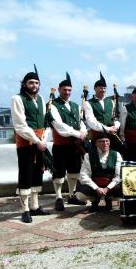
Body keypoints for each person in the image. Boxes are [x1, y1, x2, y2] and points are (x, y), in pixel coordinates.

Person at [10, 65, 51, 223]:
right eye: (31, 83)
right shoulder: (17, 99)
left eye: (36, 83)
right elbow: (20, 126)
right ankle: (25, 209)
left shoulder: (40, 99)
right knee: (26, 174)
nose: (34, 85)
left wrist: (44, 139)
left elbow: (45, 121)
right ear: (24, 84)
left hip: (40, 142)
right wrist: (37, 140)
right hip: (26, 143)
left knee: (37, 173)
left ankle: (34, 207)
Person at [49, 72, 88, 211]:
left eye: (69, 90)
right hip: (60, 145)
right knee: (59, 173)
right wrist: (76, 133)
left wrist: (83, 131)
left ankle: (72, 195)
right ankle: (58, 197)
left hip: (75, 146)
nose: (67, 92)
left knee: (74, 172)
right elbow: (59, 126)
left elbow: (80, 122)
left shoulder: (75, 106)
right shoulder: (53, 106)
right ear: (59, 90)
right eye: (65, 90)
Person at [75, 133, 123, 212]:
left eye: (107, 141)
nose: (105, 143)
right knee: (80, 195)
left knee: (125, 190)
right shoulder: (88, 156)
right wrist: (96, 188)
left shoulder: (116, 155)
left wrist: (107, 188)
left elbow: (119, 175)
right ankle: (94, 200)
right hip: (96, 186)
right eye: (102, 141)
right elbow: (84, 175)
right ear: (96, 143)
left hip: (111, 186)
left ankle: (109, 199)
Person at [83, 72, 122, 152]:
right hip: (98, 137)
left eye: (104, 88)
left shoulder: (110, 101)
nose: (103, 90)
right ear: (95, 88)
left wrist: (116, 126)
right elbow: (91, 121)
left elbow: (115, 117)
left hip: (112, 137)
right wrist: (107, 129)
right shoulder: (88, 103)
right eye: (100, 88)